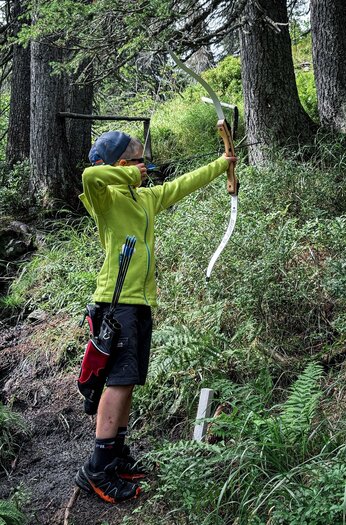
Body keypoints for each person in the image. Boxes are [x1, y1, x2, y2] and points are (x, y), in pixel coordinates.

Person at [75, 130, 237, 503]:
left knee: (127, 380)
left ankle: (115, 455)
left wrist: (222, 165)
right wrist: (130, 173)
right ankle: (97, 468)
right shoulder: (107, 197)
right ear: (119, 166)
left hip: (139, 302)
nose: (144, 168)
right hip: (116, 301)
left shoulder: (144, 199)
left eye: (143, 162)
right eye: (136, 161)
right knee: (117, 380)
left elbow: (181, 185)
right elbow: (90, 175)